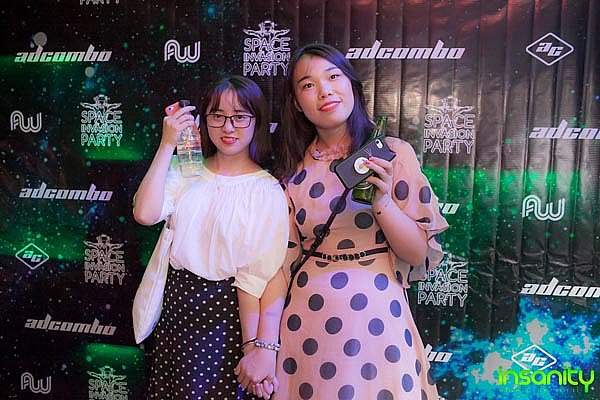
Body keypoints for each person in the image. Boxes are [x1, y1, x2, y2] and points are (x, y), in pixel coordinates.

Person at [272, 44, 449, 399]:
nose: (324, 91)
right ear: (296, 103)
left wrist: (382, 202)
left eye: (333, 77)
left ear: (352, 85)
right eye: (308, 85)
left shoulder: (393, 154)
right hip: (305, 324)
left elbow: (417, 254)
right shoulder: (292, 169)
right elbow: (281, 265)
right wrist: (263, 345)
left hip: (377, 323)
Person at [133, 76, 289, 399]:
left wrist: (257, 346)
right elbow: (144, 214)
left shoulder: (267, 190)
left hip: (229, 313)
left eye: (240, 116)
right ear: (203, 121)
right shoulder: (185, 172)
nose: (228, 127)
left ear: (256, 121)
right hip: (177, 306)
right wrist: (167, 145)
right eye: (217, 116)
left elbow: (261, 274)